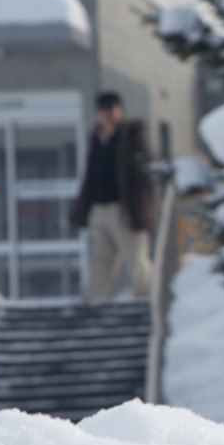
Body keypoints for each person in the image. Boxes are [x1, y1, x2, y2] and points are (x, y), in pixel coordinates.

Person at [71, 91, 155, 303]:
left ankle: (147, 298)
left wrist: (135, 209)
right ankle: (94, 299)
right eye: (103, 110)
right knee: (101, 258)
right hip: (100, 208)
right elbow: (90, 174)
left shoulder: (131, 135)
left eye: (111, 109)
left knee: (136, 257)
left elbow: (143, 175)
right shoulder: (97, 138)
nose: (107, 115)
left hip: (123, 208)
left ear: (119, 111)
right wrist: (84, 207)